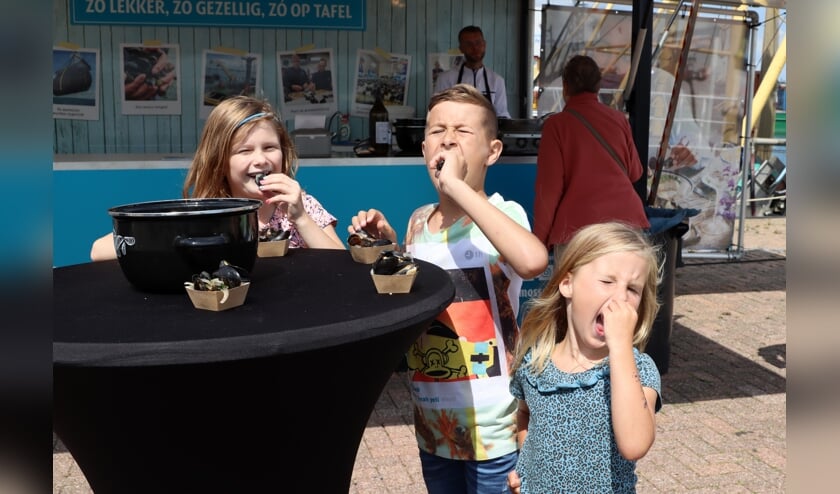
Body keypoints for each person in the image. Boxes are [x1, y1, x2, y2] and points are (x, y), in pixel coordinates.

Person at [348, 84, 548, 493]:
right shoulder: (419, 220)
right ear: (424, 149)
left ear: (492, 152)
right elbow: (422, 286)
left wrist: (457, 186)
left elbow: (531, 261)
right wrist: (390, 247)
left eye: (462, 131)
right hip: (434, 420)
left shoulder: (502, 215)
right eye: (437, 130)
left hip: (496, 424)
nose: (448, 139)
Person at [506, 221, 662, 493]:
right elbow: (525, 414)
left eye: (633, 289)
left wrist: (621, 348)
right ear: (567, 284)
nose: (620, 299)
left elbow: (635, 445)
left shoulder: (636, 368)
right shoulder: (535, 363)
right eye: (607, 281)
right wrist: (525, 469)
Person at [90, 96, 345, 260]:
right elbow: (98, 252)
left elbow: (341, 266)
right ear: (220, 162)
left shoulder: (303, 205)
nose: (260, 160)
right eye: (244, 150)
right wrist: (175, 233)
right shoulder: (208, 213)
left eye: (269, 148)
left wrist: (300, 217)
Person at [533, 55, 649, 263]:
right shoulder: (618, 119)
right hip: (627, 223)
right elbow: (635, 172)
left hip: (579, 229)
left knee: (579, 293)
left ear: (565, 87)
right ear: (598, 86)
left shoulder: (557, 125)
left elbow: (549, 190)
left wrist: (539, 240)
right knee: (624, 289)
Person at [434, 26, 511, 118]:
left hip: (487, 132)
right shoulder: (445, 79)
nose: (475, 48)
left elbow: (502, 115)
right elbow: (438, 113)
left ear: (484, 45)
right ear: (461, 48)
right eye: (469, 44)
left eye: (478, 43)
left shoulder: (497, 81)